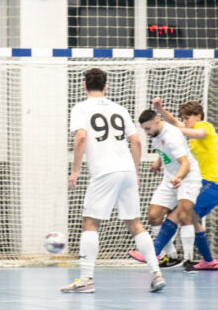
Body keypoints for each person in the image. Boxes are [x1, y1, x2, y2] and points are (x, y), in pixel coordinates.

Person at [61, 68, 166, 294]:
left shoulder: (80, 108)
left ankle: (86, 280)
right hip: (126, 170)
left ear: (84, 86)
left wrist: (75, 171)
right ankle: (156, 273)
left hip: (104, 172)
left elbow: (81, 137)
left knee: (90, 223)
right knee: (135, 223)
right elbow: (136, 142)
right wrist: (135, 172)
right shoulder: (120, 109)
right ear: (106, 86)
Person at [153, 98, 218, 271]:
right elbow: (175, 122)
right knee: (193, 219)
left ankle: (153, 252)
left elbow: (198, 133)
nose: (185, 121)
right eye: (184, 118)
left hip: (214, 183)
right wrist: (160, 109)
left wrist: (174, 129)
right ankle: (208, 261)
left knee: (179, 212)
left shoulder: (204, 126)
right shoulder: (190, 129)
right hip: (208, 184)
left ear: (198, 116)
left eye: (188, 118)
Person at [127, 109, 202, 269]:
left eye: (148, 129)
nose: (147, 133)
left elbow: (186, 164)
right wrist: (158, 162)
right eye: (144, 129)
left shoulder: (172, 136)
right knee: (154, 216)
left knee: (184, 214)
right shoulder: (156, 134)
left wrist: (178, 178)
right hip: (170, 179)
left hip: (187, 178)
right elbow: (165, 151)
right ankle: (171, 256)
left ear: (157, 121)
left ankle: (188, 260)